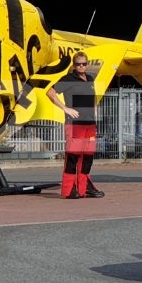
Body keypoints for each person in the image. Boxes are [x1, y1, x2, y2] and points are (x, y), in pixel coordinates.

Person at [49, 51, 105, 199]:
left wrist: (95, 113)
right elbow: (50, 92)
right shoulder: (68, 79)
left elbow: (92, 100)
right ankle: (68, 190)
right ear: (74, 65)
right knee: (73, 156)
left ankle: (83, 187)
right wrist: (65, 108)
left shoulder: (90, 79)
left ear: (87, 65)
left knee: (87, 157)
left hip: (90, 124)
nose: (81, 66)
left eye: (84, 64)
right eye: (78, 64)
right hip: (74, 124)